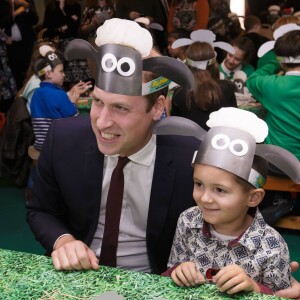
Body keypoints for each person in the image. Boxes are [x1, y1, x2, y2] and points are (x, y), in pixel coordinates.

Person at [26, 18, 198, 275]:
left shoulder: (189, 159)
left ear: (158, 108)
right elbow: (40, 209)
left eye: (121, 107)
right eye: (98, 102)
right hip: (78, 276)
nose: (102, 122)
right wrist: (64, 240)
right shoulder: (63, 139)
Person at [158, 107, 300, 294]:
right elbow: (172, 271)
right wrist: (178, 271)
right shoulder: (187, 221)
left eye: (220, 190)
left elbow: (281, 296)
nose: (205, 198)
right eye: (199, 184)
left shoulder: (272, 246)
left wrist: (254, 288)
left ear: (253, 197)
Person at [247, 24, 300, 161]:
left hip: (277, 161)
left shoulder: (272, 85)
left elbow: (252, 80)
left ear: (282, 62)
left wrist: (274, 63)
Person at [30, 45, 90, 153]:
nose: (64, 75)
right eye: (61, 71)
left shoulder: (36, 94)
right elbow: (74, 121)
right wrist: (73, 103)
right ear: (48, 73)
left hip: (41, 145)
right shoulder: (59, 94)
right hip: (58, 146)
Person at [171, 35, 237, 130]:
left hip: (188, 144)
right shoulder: (226, 88)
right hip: (218, 142)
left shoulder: (179, 93)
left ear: (188, 65)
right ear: (214, 64)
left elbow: (175, 127)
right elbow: (233, 121)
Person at [6, 0, 39, 90]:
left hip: (27, 45)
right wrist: (15, 13)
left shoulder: (26, 2)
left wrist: (26, 5)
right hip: (10, 47)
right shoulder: (3, 4)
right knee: (17, 76)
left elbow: (35, 20)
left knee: (31, 72)